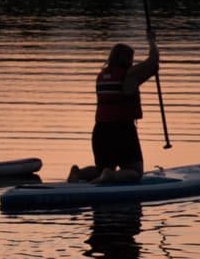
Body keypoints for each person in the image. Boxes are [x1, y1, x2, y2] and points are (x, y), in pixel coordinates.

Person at [68, 30, 160, 183]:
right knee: (135, 171)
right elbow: (153, 60)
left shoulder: (102, 76)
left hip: (101, 130)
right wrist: (152, 41)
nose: (132, 62)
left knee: (101, 168)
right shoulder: (128, 75)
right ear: (126, 59)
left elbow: (134, 81)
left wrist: (150, 71)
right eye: (131, 58)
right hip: (121, 130)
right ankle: (111, 175)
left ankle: (78, 174)